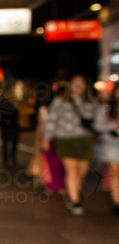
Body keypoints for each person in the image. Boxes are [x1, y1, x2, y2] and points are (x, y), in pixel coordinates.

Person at [42, 75, 97, 216]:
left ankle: (71, 194)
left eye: (81, 83)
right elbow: (51, 120)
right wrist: (46, 138)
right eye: (75, 83)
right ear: (70, 85)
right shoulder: (60, 101)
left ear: (85, 86)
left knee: (81, 172)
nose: (78, 85)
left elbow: (98, 120)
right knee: (72, 171)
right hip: (65, 139)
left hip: (85, 140)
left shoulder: (91, 102)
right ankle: (75, 201)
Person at [35, 96, 66, 195]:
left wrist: (38, 140)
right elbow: (40, 126)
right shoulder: (59, 109)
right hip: (54, 139)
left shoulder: (44, 110)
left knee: (52, 163)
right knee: (56, 162)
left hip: (53, 139)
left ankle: (54, 186)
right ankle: (57, 186)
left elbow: (40, 126)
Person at [95, 89, 119, 216]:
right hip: (111, 143)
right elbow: (98, 125)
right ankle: (117, 203)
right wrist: (114, 125)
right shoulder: (106, 107)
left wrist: (109, 123)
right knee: (115, 173)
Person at [0, 88, 21, 167]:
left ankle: (11, 157)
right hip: (6, 126)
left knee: (13, 143)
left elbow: (18, 114)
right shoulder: (3, 104)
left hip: (13, 126)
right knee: (5, 143)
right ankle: (6, 159)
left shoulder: (14, 103)